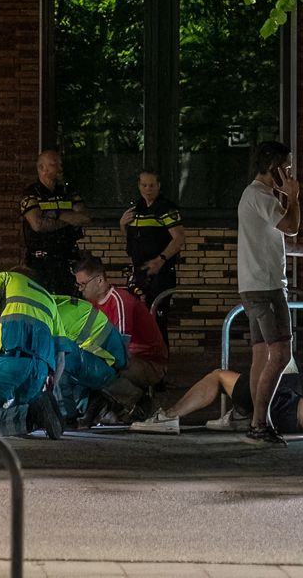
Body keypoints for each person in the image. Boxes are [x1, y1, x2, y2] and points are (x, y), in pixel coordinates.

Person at [236, 141, 303, 446]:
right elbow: (291, 226)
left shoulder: (255, 196)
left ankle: (258, 421)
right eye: (287, 166)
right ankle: (258, 425)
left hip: (254, 285)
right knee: (280, 354)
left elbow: (276, 242)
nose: (291, 172)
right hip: (267, 288)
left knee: (260, 355)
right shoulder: (261, 195)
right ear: (274, 167)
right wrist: (294, 197)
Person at [0, 268, 66, 439]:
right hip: (39, 369)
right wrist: (51, 390)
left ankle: (34, 413)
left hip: (11, 359)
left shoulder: (5, 277)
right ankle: (43, 412)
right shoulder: (50, 300)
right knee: (15, 416)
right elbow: (61, 356)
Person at [131, 366, 303, 439]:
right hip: (287, 405)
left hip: (281, 406)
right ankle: (241, 415)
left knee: (218, 376)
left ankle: (169, 416)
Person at [73, 254, 167, 420]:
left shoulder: (120, 301)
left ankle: (138, 401)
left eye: (83, 284)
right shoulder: (92, 304)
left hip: (148, 363)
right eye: (78, 284)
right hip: (130, 358)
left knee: (98, 366)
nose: (80, 289)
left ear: (100, 280)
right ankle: (107, 406)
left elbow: (119, 349)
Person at [119, 169, 185, 342]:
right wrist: (122, 225)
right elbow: (131, 240)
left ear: (159, 186)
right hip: (139, 272)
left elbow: (179, 238)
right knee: (138, 318)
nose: (148, 189)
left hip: (160, 273)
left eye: (152, 185)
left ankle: (161, 362)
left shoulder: (165, 208)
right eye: (144, 185)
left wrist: (160, 260)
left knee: (157, 318)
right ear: (138, 186)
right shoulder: (136, 209)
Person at [51, 293, 130, 426]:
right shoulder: (52, 306)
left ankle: (67, 416)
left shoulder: (50, 318)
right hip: (102, 361)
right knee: (62, 360)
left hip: (108, 365)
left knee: (59, 360)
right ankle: (91, 403)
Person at [20, 150, 91, 297]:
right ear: (42, 168)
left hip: (66, 261)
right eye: (54, 164)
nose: (60, 168)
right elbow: (37, 224)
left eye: (60, 164)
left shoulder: (68, 191)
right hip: (40, 263)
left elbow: (84, 217)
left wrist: (55, 215)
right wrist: (66, 217)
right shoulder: (32, 193)